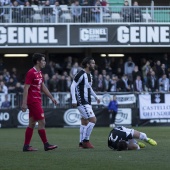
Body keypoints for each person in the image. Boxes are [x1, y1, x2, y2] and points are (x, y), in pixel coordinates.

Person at [21, 53, 58, 152]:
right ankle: (46, 145)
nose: (44, 62)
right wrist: (24, 103)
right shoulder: (31, 72)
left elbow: (42, 87)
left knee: (32, 123)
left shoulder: (39, 73)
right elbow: (26, 88)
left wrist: (51, 98)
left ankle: (26, 146)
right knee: (42, 122)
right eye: (43, 60)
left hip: (37, 100)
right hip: (33, 101)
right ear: (38, 61)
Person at [70, 57, 100, 149]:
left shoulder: (90, 75)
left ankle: (81, 143)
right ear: (87, 64)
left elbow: (89, 88)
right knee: (93, 120)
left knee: (84, 122)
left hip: (87, 101)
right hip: (82, 101)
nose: (94, 65)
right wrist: (74, 99)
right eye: (92, 63)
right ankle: (86, 141)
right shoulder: (81, 74)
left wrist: (95, 97)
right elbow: (73, 85)